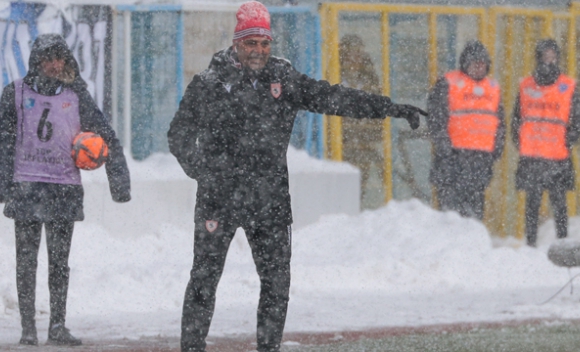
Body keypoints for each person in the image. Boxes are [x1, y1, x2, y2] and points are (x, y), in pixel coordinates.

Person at [167, 2, 426, 351]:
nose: (258, 50)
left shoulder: (282, 79)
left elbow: (332, 97)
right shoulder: (209, 83)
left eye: (264, 43)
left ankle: (268, 347)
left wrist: (389, 107)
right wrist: (205, 173)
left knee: (276, 283)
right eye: (251, 43)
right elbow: (179, 134)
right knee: (204, 279)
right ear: (236, 43)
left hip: (269, 200)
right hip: (220, 199)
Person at [0, 34, 131, 346]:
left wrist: (119, 182)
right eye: (48, 59)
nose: (55, 65)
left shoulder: (77, 94)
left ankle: (57, 325)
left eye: (60, 59)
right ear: (35, 62)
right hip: (27, 185)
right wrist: (0, 185)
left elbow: (107, 136)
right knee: (26, 260)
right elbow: (0, 140)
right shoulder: (15, 92)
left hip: (63, 188)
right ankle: (28, 327)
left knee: (59, 261)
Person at [512, 39, 580, 246]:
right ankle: (531, 243)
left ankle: (562, 241)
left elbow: (579, 117)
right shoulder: (526, 85)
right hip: (533, 154)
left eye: (552, 55)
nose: (549, 59)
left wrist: (568, 139)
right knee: (532, 202)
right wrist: (520, 141)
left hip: (557, 154)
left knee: (559, 203)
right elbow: (516, 118)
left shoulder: (568, 86)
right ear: (538, 57)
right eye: (545, 55)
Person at [427, 40, 505, 220]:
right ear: (465, 64)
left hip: (480, 159)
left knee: (475, 210)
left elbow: (500, 121)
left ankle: (472, 244)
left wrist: (497, 148)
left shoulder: (492, 88)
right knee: (450, 212)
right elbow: (435, 117)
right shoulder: (448, 83)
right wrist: (444, 145)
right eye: (474, 64)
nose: (478, 68)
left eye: (482, 64)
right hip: (453, 158)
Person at [339, 34, 386, 209]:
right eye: (351, 52)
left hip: (363, 147)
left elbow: (378, 114)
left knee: (358, 191)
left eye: (359, 52)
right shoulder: (333, 78)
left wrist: (368, 138)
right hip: (341, 146)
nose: (355, 57)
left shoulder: (370, 81)